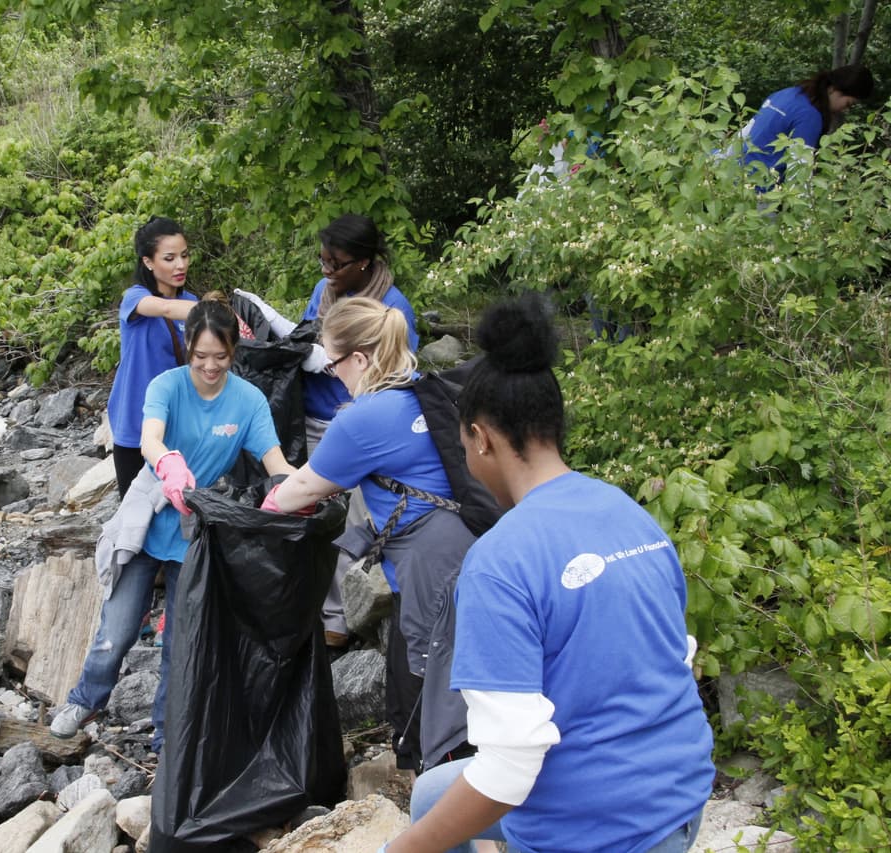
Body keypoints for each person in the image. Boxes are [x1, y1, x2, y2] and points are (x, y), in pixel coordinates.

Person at [381, 294, 714, 853]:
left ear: (481, 437)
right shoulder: (629, 514)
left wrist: (400, 851)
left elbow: (509, 771)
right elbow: (675, 658)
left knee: (428, 829)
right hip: (682, 796)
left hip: (602, 830)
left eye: (463, 444)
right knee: (433, 797)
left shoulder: (497, 563)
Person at [50, 298, 295, 750]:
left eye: (220, 357)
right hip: (153, 512)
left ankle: (167, 733)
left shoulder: (247, 400)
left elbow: (274, 460)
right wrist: (168, 463)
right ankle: (86, 698)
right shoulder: (166, 385)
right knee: (117, 629)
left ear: (233, 351)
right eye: (200, 357)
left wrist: (306, 489)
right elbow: (149, 438)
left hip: (197, 531)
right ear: (187, 348)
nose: (209, 366)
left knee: (181, 644)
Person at [261, 297, 473, 772]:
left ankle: (444, 797)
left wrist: (259, 511)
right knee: (438, 668)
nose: (332, 374)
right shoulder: (421, 388)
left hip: (429, 565)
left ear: (358, 358)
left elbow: (300, 490)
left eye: (333, 362)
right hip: (463, 545)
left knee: (427, 681)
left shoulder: (363, 418)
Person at [237, 213, 418, 651]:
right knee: (314, 520)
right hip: (314, 418)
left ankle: (339, 620)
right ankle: (309, 604)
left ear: (365, 263)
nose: (327, 271)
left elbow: (396, 379)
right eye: (323, 261)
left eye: (336, 263)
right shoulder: (325, 290)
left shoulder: (393, 309)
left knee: (350, 522)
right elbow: (306, 337)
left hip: (356, 425)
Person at [107, 216, 201, 498]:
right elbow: (165, 309)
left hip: (178, 422)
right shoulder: (135, 299)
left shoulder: (193, 302)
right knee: (134, 514)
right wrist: (215, 314)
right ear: (148, 262)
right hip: (135, 422)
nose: (180, 265)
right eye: (170, 258)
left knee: (180, 507)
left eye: (184, 256)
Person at [740, 63, 874, 186]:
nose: (845, 110)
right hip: (760, 188)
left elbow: (745, 133)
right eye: (848, 104)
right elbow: (799, 173)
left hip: (735, 174)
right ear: (833, 89)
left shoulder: (785, 94)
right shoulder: (810, 116)